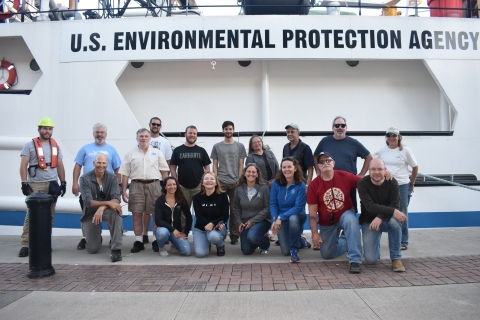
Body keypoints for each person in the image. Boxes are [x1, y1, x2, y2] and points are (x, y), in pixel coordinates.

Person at [307, 152, 363, 273]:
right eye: (322, 162)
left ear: (334, 163)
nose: (325, 163)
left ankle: (355, 260)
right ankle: (348, 241)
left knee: (351, 221)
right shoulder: (313, 185)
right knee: (326, 254)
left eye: (328, 160)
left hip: (345, 213)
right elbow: (312, 212)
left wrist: (382, 175)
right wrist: (315, 233)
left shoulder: (345, 176)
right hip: (327, 221)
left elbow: (365, 182)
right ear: (318, 166)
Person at [18, 117, 66, 257]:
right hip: (35, 185)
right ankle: (26, 244)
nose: (47, 131)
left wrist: (63, 183)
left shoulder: (55, 146)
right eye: (44, 128)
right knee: (31, 215)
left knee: (49, 216)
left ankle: (44, 242)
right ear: (39, 129)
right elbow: (23, 165)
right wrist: (24, 183)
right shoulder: (29, 145)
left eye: (49, 129)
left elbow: (60, 165)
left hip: (52, 184)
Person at [72, 123, 122, 251]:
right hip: (89, 189)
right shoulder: (85, 149)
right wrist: (74, 183)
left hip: (107, 189)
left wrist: (119, 185)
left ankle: (115, 242)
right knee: (92, 249)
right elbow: (77, 166)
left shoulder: (112, 150)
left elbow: (117, 168)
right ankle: (88, 238)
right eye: (97, 132)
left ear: (106, 134)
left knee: (115, 212)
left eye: (102, 132)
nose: (100, 135)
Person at [119, 128, 169, 254]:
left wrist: (166, 188)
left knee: (155, 214)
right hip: (136, 185)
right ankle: (138, 241)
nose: (144, 138)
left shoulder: (157, 153)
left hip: (154, 185)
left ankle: (155, 240)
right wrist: (123, 190)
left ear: (150, 138)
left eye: (146, 136)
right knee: (136, 214)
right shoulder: (130, 154)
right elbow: (125, 173)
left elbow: (164, 171)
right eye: (141, 136)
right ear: (137, 138)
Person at [313, 116, 373, 212]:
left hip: (348, 183)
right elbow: (315, 156)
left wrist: (362, 174)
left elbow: (369, 157)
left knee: (350, 210)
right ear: (332, 128)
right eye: (337, 125)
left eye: (342, 125)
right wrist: (318, 171)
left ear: (346, 128)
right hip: (328, 181)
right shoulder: (325, 141)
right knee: (330, 209)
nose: (340, 127)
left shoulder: (354, 143)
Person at [357, 158, 407, 272]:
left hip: (386, 220)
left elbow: (395, 205)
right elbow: (370, 206)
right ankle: (375, 242)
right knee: (371, 260)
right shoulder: (362, 184)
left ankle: (396, 258)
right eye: (373, 169)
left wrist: (380, 217)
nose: (376, 172)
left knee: (395, 222)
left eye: (380, 169)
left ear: (385, 170)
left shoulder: (392, 182)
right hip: (369, 221)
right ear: (369, 170)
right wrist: (393, 211)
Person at [377, 127, 418, 250]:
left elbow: (415, 167)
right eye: (388, 135)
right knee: (385, 211)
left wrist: (412, 183)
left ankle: (403, 240)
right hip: (386, 186)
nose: (391, 137)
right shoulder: (382, 151)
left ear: (399, 137)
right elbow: (380, 167)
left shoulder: (405, 150)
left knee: (402, 212)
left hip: (402, 186)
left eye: (394, 135)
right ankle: (382, 237)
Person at [79, 153, 123, 262]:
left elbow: (116, 199)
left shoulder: (112, 177)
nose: (101, 165)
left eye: (103, 163)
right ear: (94, 163)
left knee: (116, 212)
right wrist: (107, 203)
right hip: (91, 213)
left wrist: (102, 208)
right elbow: (88, 202)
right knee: (93, 249)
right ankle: (97, 238)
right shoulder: (84, 178)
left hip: (108, 210)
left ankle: (116, 249)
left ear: (107, 164)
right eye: (98, 162)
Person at [210, 120, 247, 245]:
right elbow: (215, 164)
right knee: (220, 208)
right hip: (221, 181)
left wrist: (240, 179)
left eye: (230, 129)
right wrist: (215, 179)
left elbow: (241, 164)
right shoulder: (217, 146)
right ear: (223, 131)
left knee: (235, 209)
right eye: (226, 129)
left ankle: (234, 235)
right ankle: (220, 232)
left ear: (233, 130)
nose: (228, 131)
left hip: (235, 182)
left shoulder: (240, 146)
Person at [270, 157, 310, 263]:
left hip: (297, 215)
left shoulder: (300, 184)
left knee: (292, 219)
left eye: (289, 167)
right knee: (285, 251)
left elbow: (298, 207)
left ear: (295, 168)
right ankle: (301, 241)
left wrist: (280, 217)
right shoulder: (276, 183)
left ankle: (294, 251)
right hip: (281, 217)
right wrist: (274, 219)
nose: (286, 170)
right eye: (284, 167)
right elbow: (273, 203)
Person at [142, 117, 173, 245]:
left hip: (159, 180)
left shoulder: (164, 142)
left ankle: (156, 236)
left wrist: (166, 182)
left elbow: (168, 162)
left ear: (160, 126)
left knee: (157, 210)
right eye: (153, 124)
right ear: (149, 125)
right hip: (145, 179)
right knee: (145, 210)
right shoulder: (144, 139)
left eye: (157, 124)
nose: (155, 126)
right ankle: (144, 234)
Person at [245, 135, 279, 241]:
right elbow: (250, 172)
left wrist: (276, 180)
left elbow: (277, 167)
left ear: (262, 142)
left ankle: (277, 231)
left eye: (258, 141)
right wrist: (265, 183)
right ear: (251, 146)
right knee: (263, 208)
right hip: (260, 186)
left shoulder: (270, 153)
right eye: (254, 142)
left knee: (274, 207)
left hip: (274, 185)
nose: (257, 144)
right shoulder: (251, 157)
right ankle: (265, 232)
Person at [233, 164, 271, 255]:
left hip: (262, 221)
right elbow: (236, 207)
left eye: (254, 172)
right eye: (249, 172)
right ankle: (255, 241)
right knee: (246, 251)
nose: (251, 174)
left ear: (257, 174)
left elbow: (267, 208)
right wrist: (239, 222)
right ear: (245, 174)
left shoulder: (264, 188)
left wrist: (252, 221)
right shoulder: (239, 189)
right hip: (245, 222)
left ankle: (265, 243)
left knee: (252, 237)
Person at [170, 125, 211, 207]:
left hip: (198, 187)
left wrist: (202, 181)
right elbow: (172, 167)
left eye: (194, 133)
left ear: (196, 135)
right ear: (185, 134)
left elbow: (207, 167)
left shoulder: (201, 151)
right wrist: (176, 182)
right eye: (190, 133)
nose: (192, 135)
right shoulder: (177, 150)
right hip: (182, 187)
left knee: (200, 210)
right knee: (183, 213)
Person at [192, 172, 230, 258]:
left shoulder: (223, 196)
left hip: (217, 228)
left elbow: (225, 215)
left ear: (216, 182)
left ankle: (220, 244)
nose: (209, 181)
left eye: (212, 179)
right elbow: (198, 215)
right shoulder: (197, 197)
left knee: (214, 236)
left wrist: (212, 224)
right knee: (200, 254)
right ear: (202, 182)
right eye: (206, 179)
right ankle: (206, 243)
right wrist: (207, 225)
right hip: (201, 228)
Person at [154, 177, 192, 257]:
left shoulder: (181, 199)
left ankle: (174, 245)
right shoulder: (160, 201)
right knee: (162, 233)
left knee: (187, 252)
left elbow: (189, 216)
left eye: (174, 184)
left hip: (177, 232)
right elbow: (158, 220)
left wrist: (186, 233)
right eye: (169, 185)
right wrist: (173, 229)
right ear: (165, 187)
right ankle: (161, 247)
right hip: (164, 229)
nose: (172, 187)